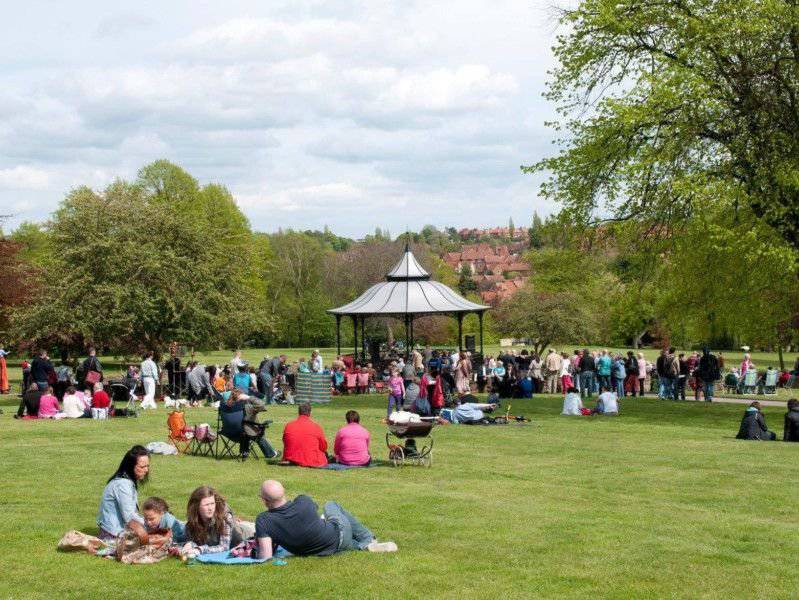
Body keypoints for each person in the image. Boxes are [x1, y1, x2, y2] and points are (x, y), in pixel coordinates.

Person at [255, 480, 396, 559]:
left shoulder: (264, 520)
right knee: (331, 505)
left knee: (332, 526)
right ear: (283, 491)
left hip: (321, 551)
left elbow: (265, 556)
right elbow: (313, 516)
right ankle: (368, 539)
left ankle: (362, 544)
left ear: (264, 500)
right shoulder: (303, 501)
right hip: (336, 537)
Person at [97, 445, 150, 540]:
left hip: (117, 530)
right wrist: (150, 522)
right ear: (131, 466)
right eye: (142, 467)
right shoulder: (123, 485)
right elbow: (129, 517)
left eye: (147, 466)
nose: (146, 470)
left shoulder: (125, 480)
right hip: (113, 535)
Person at [181, 486, 250, 557]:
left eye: (212, 503)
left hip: (247, 537)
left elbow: (224, 547)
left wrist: (200, 549)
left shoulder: (225, 517)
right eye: (206, 505)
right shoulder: (194, 519)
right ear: (196, 506)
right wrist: (189, 544)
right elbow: (194, 540)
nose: (210, 508)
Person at [282, 403, 329, 467]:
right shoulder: (316, 427)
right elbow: (323, 447)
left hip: (290, 457)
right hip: (310, 459)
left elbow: (285, 441)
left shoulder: (289, 425)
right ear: (310, 413)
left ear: (299, 412)